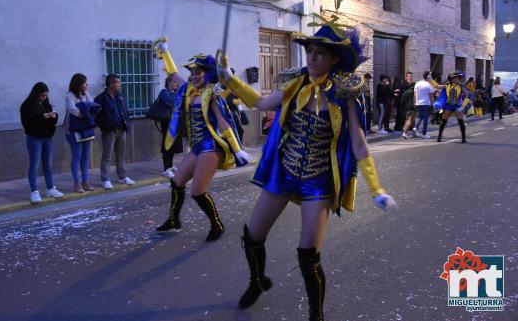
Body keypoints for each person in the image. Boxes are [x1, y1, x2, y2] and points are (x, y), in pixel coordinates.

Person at [218, 18, 397, 320]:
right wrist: (229, 80)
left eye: (320, 54)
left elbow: (358, 143)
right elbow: (262, 103)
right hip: (284, 175)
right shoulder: (296, 84)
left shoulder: (345, 95)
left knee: (308, 258)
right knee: (252, 235)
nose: (311, 59)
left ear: (335, 59)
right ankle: (257, 281)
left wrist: (376, 188)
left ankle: (316, 314)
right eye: (309, 51)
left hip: (318, 183)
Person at [153, 38, 252, 242]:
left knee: (198, 191)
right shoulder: (187, 90)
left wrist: (237, 150)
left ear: (208, 74)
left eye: (198, 72)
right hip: (196, 147)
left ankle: (217, 224)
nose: (193, 76)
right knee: (177, 182)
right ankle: (173, 219)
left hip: (211, 147)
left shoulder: (212, 95)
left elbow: (224, 124)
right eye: (192, 72)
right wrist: (166, 53)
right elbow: (173, 75)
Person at [20, 82, 63, 203]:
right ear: (36, 94)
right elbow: (28, 124)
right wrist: (42, 117)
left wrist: (54, 116)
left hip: (47, 137)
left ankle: (50, 188)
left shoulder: (46, 104)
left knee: (48, 164)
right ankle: (34, 191)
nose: (44, 98)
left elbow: (52, 122)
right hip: (34, 138)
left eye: (46, 95)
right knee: (34, 165)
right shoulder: (27, 106)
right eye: (42, 95)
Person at [95, 74, 135, 189]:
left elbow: (125, 110)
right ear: (111, 84)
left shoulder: (120, 96)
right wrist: (104, 126)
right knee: (107, 156)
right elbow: (96, 116)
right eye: (117, 82)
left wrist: (127, 123)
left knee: (121, 155)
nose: (119, 84)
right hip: (109, 130)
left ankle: (122, 177)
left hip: (121, 128)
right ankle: (105, 179)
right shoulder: (101, 98)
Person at [65, 73, 99, 193]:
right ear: (78, 84)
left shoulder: (86, 94)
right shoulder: (70, 96)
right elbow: (73, 110)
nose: (86, 85)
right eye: (84, 83)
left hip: (86, 128)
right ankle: (76, 183)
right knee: (77, 156)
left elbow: (92, 105)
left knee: (85, 157)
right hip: (74, 130)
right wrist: (86, 111)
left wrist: (84, 109)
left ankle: (86, 181)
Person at [157, 75, 183, 179]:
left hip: (174, 122)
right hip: (167, 123)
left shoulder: (173, 93)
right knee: (167, 145)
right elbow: (172, 102)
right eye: (174, 83)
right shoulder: (164, 93)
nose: (176, 85)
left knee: (173, 146)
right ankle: (165, 169)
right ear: (169, 83)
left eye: (177, 83)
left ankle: (170, 166)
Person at [434, 71, 471, 143]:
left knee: (461, 122)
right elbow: (437, 86)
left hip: (457, 106)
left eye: (456, 78)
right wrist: (429, 79)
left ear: (458, 78)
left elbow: (468, 95)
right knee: (443, 121)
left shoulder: (461, 86)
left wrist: (463, 106)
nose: (455, 79)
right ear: (451, 79)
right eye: (453, 78)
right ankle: (439, 137)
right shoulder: (447, 85)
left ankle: (463, 138)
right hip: (448, 105)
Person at [413, 70, 436, 138]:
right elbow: (431, 96)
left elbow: (414, 94)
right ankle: (424, 133)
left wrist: (415, 102)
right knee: (425, 118)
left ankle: (415, 127)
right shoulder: (428, 85)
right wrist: (433, 104)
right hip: (426, 103)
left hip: (418, 103)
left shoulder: (417, 83)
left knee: (420, 117)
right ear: (428, 76)